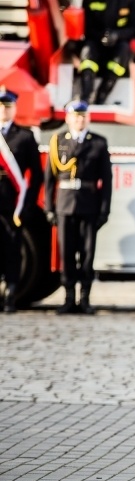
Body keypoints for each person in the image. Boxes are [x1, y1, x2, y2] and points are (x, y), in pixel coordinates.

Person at [44, 100, 112, 315]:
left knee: (87, 254)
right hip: (64, 204)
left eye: (83, 116)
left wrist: (104, 209)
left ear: (88, 118)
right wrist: (49, 207)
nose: (79, 120)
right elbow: (49, 179)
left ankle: (85, 299)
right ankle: (68, 298)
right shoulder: (58, 141)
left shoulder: (98, 143)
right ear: (68, 118)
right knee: (66, 253)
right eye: (75, 116)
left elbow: (106, 181)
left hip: (89, 204)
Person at [0, 89, 31, 313]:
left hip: (12, 201)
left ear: (15, 108)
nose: (4, 110)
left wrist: (26, 205)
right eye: (1, 106)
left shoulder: (24, 136)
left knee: (12, 248)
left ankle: (10, 293)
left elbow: (36, 174)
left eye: (8, 106)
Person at [76, 0, 135, 105]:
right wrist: (100, 36)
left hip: (118, 46)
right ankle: (86, 96)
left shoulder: (130, 1)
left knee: (122, 52)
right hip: (95, 42)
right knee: (87, 53)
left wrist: (116, 35)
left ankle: (101, 96)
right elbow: (86, 26)